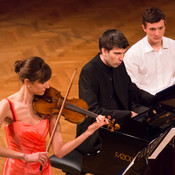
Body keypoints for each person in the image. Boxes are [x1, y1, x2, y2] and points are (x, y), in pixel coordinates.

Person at [0, 56, 108, 175]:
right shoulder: (7, 106)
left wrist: (88, 131)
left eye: (48, 80)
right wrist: (25, 156)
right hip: (17, 170)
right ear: (27, 82)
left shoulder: (50, 108)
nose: (47, 86)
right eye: (43, 82)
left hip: (43, 170)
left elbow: (60, 152)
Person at [76, 29, 154, 156]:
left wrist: (157, 100)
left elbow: (132, 91)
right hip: (97, 133)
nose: (122, 58)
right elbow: (93, 111)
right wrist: (127, 115)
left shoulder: (118, 64)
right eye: (117, 53)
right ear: (104, 51)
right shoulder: (89, 72)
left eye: (123, 53)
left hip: (120, 125)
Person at [124, 7, 175, 96]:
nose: (157, 33)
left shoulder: (173, 46)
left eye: (160, 28)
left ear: (165, 25)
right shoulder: (133, 54)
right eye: (152, 29)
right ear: (144, 28)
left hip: (170, 98)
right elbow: (132, 87)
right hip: (146, 101)